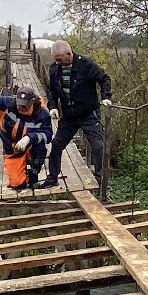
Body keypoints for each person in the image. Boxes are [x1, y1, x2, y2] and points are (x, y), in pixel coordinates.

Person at [43, 40, 113, 189]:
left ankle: (102, 181)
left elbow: (104, 78)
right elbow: (52, 91)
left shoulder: (86, 65)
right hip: (69, 116)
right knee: (56, 145)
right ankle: (52, 178)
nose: (57, 62)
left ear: (69, 54)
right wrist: (53, 106)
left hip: (89, 113)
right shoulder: (54, 69)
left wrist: (106, 97)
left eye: (59, 59)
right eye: (55, 59)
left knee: (98, 146)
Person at [0, 86, 53, 190]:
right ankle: (23, 177)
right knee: (18, 184)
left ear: (32, 102)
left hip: (30, 148)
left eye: (25, 106)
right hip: (12, 150)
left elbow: (48, 135)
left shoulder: (42, 114)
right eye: (19, 105)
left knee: (40, 148)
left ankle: (33, 176)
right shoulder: (9, 104)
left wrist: (29, 138)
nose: (21, 108)